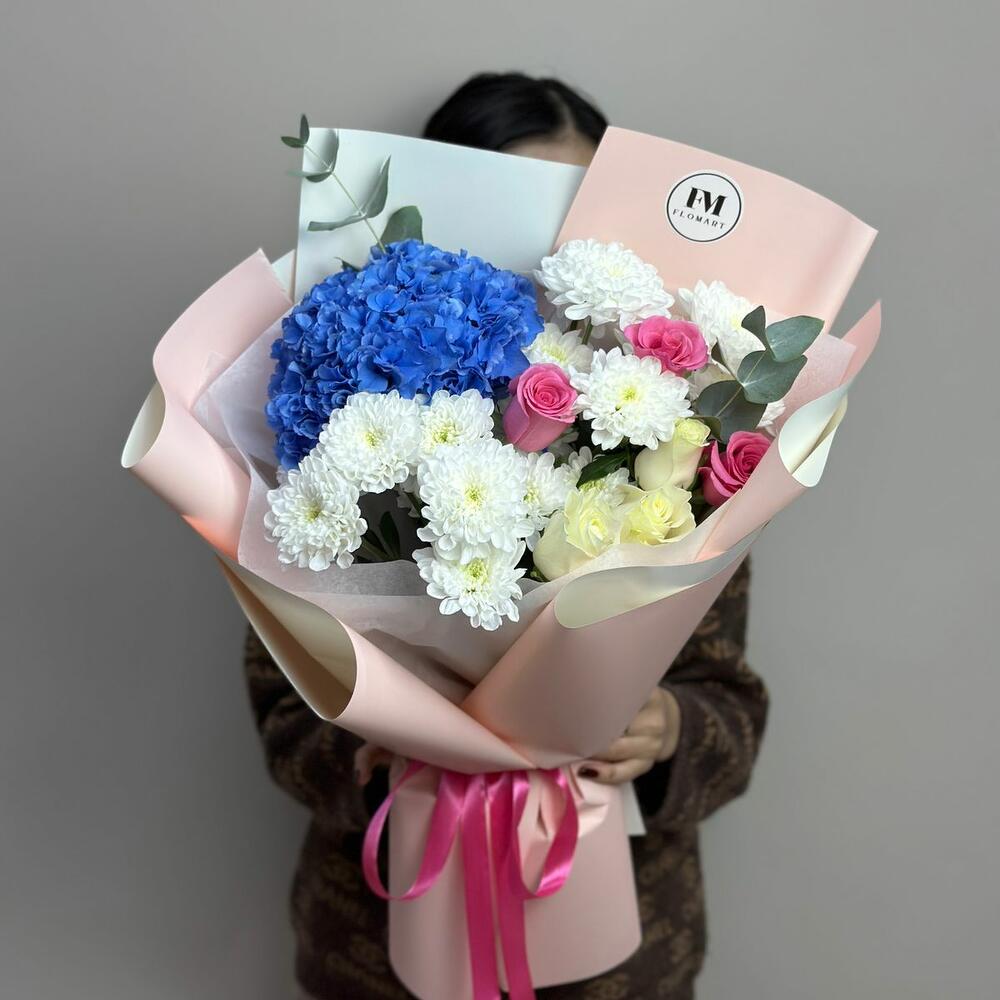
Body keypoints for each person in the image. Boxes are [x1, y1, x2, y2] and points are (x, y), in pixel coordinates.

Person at [244, 72, 769, 1000]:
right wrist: (386, 753)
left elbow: (731, 706)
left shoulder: (674, 456)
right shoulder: (333, 457)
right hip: (377, 944)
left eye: (572, 215)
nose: (541, 250)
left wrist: (669, 732)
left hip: (621, 955)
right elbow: (285, 716)